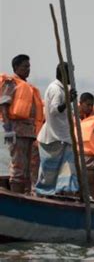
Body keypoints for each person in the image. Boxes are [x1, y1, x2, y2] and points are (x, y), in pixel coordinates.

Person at [0, 54, 44, 194]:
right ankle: (16, 197)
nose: (28, 69)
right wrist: (7, 128)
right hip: (17, 130)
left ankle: (27, 195)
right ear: (16, 67)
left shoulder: (28, 86)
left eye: (29, 67)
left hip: (30, 132)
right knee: (18, 167)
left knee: (29, 169)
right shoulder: (10, 82)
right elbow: (4, 105)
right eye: (25, 66)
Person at [35, 63, 79, 196]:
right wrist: (68, 101)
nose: (73, 77)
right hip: (54, 138)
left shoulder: (63, 89)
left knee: (68, 169)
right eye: (71, 73)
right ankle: (44, 194)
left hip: (64, 137)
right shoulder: (55, 89)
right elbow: (54, 110)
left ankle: (64, 193)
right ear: (65, 75)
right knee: (49, 172)